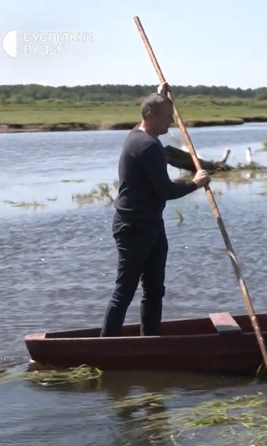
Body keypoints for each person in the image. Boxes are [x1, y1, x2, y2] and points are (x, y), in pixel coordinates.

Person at [100, 83, 210, 337]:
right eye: (167, 118)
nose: (170, 124)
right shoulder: (148, 147)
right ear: (150, 116)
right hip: (133, 227)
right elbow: (165, 191)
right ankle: (105, 347)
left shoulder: (138, 134)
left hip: (151, 225)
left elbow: (153, 107)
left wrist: (160, 94)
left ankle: (150, 341)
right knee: (124, 291)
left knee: (154, 290)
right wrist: (195, 183)